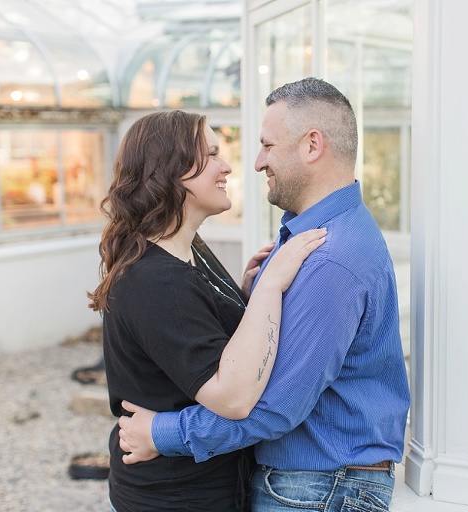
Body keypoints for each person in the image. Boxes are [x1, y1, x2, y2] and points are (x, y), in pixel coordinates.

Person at [117, 77, 411, 512]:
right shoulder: (311, 240)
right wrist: (253, 299)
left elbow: (273, 407)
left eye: (268, 146)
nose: (255, 163)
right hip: (314, 485)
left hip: (316, 489)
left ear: (312, 146)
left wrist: (162, 433)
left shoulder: (329, 260)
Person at [88, 109, 327, 511]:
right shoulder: (157, 280)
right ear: (171, 170)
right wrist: (271, 287)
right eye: (212, 154)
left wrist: (244, 297)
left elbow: (207, 340)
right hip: (176, 498)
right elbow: (232, 398)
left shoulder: (189, 250)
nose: (228, 166)